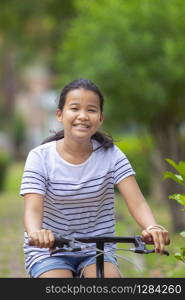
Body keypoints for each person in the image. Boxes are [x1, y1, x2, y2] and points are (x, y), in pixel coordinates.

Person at [20, 78, 170, 278]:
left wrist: (152, 226)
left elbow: (138, 202)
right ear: (59, 114)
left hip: (97, 251)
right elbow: (33, 209)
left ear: (100, 118)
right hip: (50, 251)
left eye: (91, 110)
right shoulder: (40, 157)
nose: (83, 116)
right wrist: (36, 233)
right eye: (74, 108)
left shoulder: (112, 155)